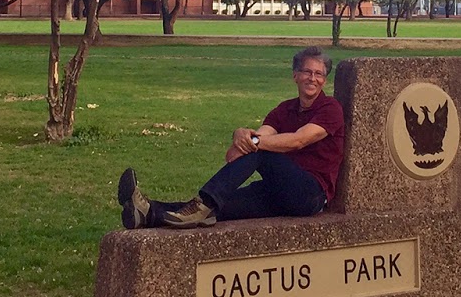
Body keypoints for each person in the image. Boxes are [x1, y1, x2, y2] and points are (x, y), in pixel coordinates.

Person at [117, 47, 345, 229]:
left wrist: (251, 143)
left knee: (260, 152)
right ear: (295, 75)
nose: (312, 78)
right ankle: (147, 212)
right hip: (276, 189)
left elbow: (298, 140)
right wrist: (241, 136)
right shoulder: (283, 110)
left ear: (324, 80)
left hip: (310, 195)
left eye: (319, 74)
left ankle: (201, 204)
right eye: (307, 72)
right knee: (220, 206)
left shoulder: (330, 108)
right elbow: (252, 141)